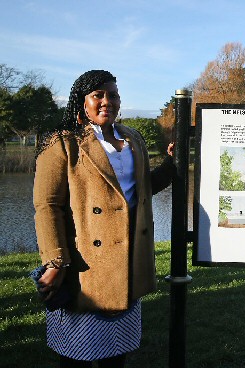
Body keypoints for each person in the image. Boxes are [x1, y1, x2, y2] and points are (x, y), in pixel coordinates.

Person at [33, 70, 175, 367]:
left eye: (113, 95)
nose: (106, 101)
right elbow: (47, 206)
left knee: (116, 355)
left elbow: (140, 190)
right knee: (77, 355)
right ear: (81, 103)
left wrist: (172, 163)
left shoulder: (132, 138)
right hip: (85, 265)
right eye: (98, 95)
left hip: (128, 261)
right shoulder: (63, 143)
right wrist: (55, 261)